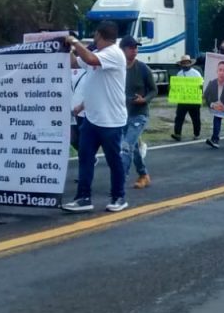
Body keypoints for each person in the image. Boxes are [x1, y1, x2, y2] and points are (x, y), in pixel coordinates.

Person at [63, 21, 128, 213]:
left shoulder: (114, 54)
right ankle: (83, 197)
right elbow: (76, 63)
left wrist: (74, 41)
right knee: (85, 158)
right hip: (91, 117)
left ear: (99, 35)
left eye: (95, 36)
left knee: (113, 160)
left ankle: (119, 196)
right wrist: (65, 49)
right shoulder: (98, 55)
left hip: (111, 120)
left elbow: (89, 59)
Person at [120, 36, 157, 190]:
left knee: (126, 145)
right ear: (122, 50)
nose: (135, 51)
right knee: (133, 147)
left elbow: (154, 90)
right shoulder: (117, 68)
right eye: (131, 48)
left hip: (139, 114)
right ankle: (143, 175)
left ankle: (119, 180)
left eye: (136, 48)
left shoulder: (143, 68)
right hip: (121, 114)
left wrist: (144, 99)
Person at [171, 55, 202, 141]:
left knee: (195, 118)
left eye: (186, 63)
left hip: (193, 100)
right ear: (181, 64)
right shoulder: (179, 74)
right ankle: (177, 134)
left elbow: (200, 86)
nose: (185, 64)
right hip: (183, 99)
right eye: (183, 63)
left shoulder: (196, 73)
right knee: (179, 117)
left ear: (189, 63)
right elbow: (176, 87)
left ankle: (196, 134)